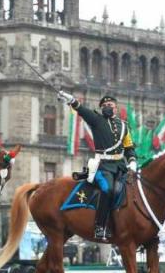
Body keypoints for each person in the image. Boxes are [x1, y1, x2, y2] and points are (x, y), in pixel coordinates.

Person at [57, 92, 137, 240]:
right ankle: (100, 226)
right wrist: (71, 100)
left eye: (110, 105)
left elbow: (129, 147)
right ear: (101, 108)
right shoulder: (97, 120)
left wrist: (132, 161)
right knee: (107, 190)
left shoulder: (124, 127)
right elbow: (82, 110)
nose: (107, 107)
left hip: (120, 166)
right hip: (103, 166)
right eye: (104, 106)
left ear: (116, 108)